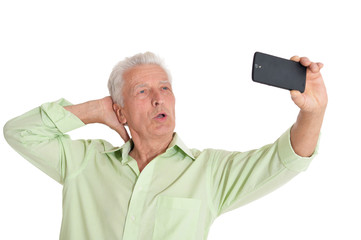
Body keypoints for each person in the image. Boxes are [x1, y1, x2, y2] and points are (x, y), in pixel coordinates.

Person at [3, 52, 327, 240]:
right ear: (120, 111)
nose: (159, 98)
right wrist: (92, 110)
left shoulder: (209, 172)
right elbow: (18, 133)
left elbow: (286, 159)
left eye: (165, 87)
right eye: (142, 91)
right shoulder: (83, 162)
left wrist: (313, 112)